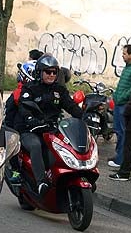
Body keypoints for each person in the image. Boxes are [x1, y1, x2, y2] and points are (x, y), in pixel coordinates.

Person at [15, 54, 84, 194]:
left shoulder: (59, 90)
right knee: (35, 145)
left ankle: (69, 177)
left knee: (67, 147)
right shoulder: (30, 89)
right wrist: (30, 120)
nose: (51, 75)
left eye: (54, 72)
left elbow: (70, 106)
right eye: (48, 72)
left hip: (51, 129)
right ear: (40, 72)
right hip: (31, 130)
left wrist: (84, 116)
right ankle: (41, 183)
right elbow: (24, 107)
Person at [109, 44, 131, 168]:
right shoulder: (127, 68)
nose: (123, 55)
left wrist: (121, 97)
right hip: (119, 103)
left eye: (125, 53)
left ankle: (121, 159)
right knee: (118, 131)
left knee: (122, 132)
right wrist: (115, 96)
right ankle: (120, 156)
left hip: (124, 104)